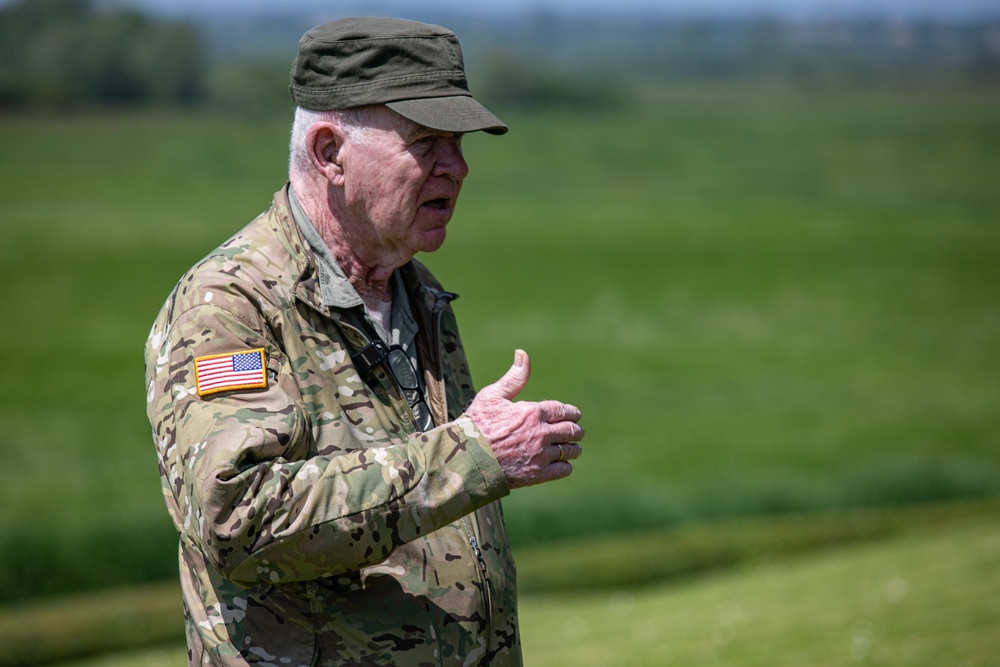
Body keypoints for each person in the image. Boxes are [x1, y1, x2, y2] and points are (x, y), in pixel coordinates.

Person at [144, 17, 584, 667]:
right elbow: (239, 519)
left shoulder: (416, 290)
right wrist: (473, 454)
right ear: (329, 152)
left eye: (460, 143)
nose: (458, 167)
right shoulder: (230, 307)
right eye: (428, 142)